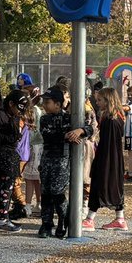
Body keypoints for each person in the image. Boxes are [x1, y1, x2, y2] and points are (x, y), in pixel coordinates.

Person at [37, 87, 89, 238]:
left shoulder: (69, 118)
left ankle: (63, 220)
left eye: (48, 102)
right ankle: (46, 224)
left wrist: (79, 131)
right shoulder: (44, 119)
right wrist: (66, 136)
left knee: (58, 193)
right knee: (45, 192)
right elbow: (47, 135)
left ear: (58, 104)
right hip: (47, 159)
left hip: (62, 161)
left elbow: (89, 127)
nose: (45, 105)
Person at [83, 87, 129, 230]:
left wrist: (101, 161)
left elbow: (107, 144)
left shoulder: (110, 120)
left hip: (107, 157)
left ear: (108, 100)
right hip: (114, 158)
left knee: (98, 186)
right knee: (115, 186)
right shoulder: (118, 117)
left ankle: (90, 219)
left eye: (99, 100)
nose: (97, 103)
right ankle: (120, 219)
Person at [0, 90, 29, 233]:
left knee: (9, 188)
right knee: (4, 190)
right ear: (11, 103)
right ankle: (2, 219)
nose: (22, 110)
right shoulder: (1, 115)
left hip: (11, 156)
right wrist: (10, 139)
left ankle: (3, 216)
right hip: (2, 157)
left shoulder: (13, 115)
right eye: (20, 106)